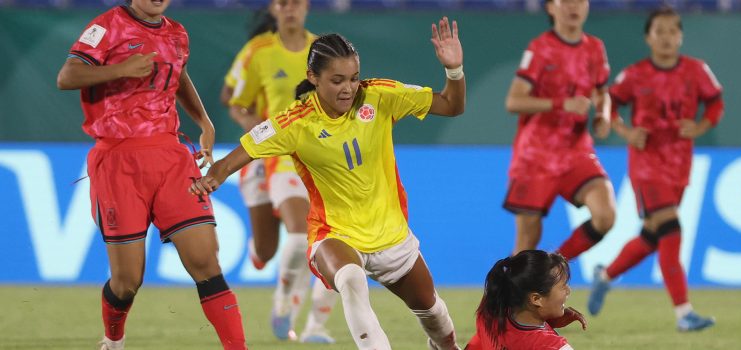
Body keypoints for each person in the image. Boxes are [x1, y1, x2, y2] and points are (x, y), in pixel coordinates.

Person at [190, 17, 465, 350]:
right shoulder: (296, 120)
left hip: (390, 235)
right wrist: (212, 177)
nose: (348, 88)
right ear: (313, 78)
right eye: (336, 80)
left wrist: (454, 70)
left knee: (436, 318)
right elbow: (243, 151)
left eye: (353, 78)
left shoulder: (379, 96)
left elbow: (452, 106)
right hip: (333, 234)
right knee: (350, 279)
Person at [56, 1, 247, 349]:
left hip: (170, 156)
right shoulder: (107, 26)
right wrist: (120, 69)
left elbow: (179, 75)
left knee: (206, 261)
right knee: (127, 281)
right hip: (117, 160)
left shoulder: (177, 33)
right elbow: (67, 76)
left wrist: (204, 121)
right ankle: (113, 339)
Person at [587, 7, 722, 332]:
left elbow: (716, 101)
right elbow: (609, 102)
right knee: (671, 229)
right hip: (647, 164)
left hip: (679, 164)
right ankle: (684, 313)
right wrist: (625, 132)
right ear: (648, 37)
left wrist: (702, 125)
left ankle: (604, 275)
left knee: (651, 236)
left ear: (681, 36)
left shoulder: (697, 70)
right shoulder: (634, 75)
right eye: (659, 31)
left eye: (672, 31)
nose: (666, 37)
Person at [222, 0, 339, 343]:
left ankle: (308, 321)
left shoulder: (324, 50)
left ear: (307, 7)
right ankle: (277, 290)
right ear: (274, 9)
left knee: (329, 239)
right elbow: (234, 99)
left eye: (296, 3)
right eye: (283, 3)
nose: (290, 9)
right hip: (280, 156)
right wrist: (256, 132)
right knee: (282, 243)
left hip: (321, 158)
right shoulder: (258, 51)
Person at [503, 0, 616, 260]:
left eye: (580, 1)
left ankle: (554, 264)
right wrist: (561, 104)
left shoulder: (595, 48)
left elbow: (601, 92)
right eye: (566, 1)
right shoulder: (540, 49)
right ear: (551, 8)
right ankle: (498, 300)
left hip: (576, 152)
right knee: (525, 245)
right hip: (536, 155)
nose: (573, 7)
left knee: (605, 214)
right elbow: (514, 101)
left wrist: (603, 114)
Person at [466, 250, 586, 350]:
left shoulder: (491, 308)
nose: (568, 290)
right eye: (563, 286)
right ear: (536, 299)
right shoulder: (553, 346)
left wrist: (549, 321)